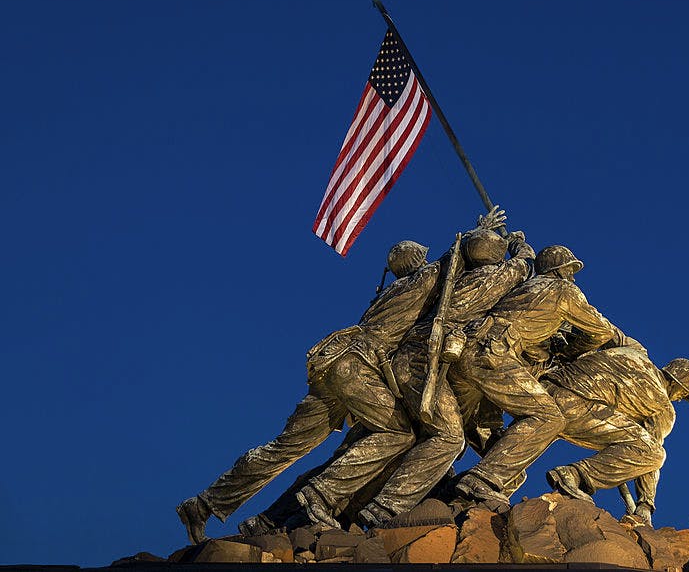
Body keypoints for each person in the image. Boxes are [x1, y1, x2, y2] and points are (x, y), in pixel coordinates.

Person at [176, 210, 504, 544]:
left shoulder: (386, 294)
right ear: (419, 261)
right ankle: (320, 496)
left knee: (284, 448)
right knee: (399, 432)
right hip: (355, 367)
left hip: (330, 363)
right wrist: (482, 232)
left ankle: (205, 504)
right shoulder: (420, 281)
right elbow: (456, 258)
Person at [353, 228, 536, 526]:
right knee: (449, 437)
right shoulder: (493, 278)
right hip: (422, 360)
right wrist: (518, 242)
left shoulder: (455, 280)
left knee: (430, 436)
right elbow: (524, 263)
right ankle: (385, 507)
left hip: (409, 360)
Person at [451, 245, 626, 504]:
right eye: (569, 270)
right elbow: (602, 332)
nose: (573, 277)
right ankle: (481, 481)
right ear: (558, 270)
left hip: (462, 350)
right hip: (492, 353)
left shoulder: (523, 290)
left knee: (462, 434)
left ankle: (451, 491)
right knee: (549, 417)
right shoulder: (563, 290)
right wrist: (568, 351)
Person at [542, 347, 689, 526]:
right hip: (575, 406)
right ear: (674, 382)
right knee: (655, 454)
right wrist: (645, 504)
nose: (680, 399)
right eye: (684, 393)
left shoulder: (634, 355)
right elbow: (649, 451)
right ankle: (573, 475)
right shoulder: (663, 406)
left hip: (544, 388)